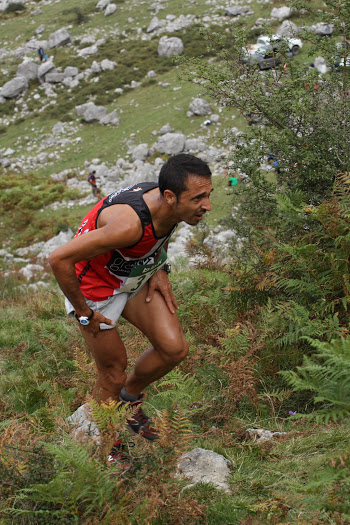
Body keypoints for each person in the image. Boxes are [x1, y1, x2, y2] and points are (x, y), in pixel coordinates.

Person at [49, 154, 213, 453]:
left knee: (174, 349)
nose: (207, 206)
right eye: (199, 198)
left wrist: (161, 268)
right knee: (112, 372)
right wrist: (84, 314)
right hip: (95, 291)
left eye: (209, 195)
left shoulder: (171, 204)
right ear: (169, 196)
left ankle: (129, 399)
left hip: (131, 275)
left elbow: (159, 232)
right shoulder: (128, 226)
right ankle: (107, 444)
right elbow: (58, 259)